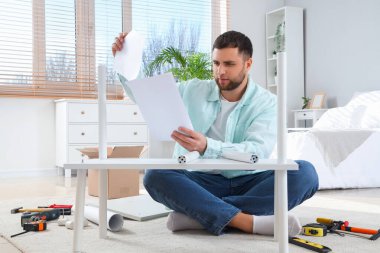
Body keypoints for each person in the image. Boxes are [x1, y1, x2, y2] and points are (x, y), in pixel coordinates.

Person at [112, 30, 319, 236]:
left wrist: (207, 146)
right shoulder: (193, 89)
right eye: (216, 63)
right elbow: (149, 97)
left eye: (229, 64)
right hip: (200, 180)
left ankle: (200, 215)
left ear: (248, 64)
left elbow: (256, 151)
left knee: (305, 173)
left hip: (248, 181)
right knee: (155, 175)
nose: (220, 71)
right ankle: (245, 221)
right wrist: (125, 64)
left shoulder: (268, 103)